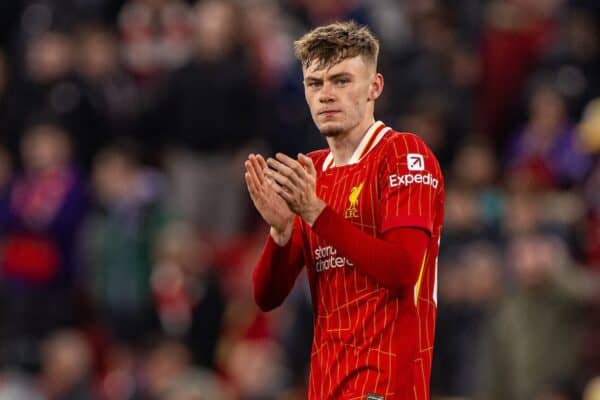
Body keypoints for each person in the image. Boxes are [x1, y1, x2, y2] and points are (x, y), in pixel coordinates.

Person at [244, 21, 445, 399]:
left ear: (374, 87)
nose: (325, 95)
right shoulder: (313, 173)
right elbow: (266, 297)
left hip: (386, 385)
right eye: (314, 83)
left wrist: (316, 213)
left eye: (341, 80)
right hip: (325, 384)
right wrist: (282, 231)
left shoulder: (403, 154)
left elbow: (403, 269)